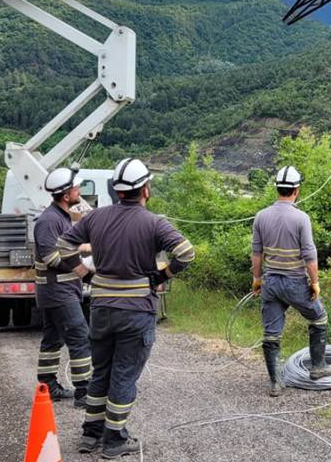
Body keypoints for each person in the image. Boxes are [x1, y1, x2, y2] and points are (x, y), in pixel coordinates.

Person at [56, 158, 195, 458]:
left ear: (117, 191)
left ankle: (90, 435)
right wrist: (163, 275)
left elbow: (63, 247)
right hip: (136, 311)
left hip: (102, 308)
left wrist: (87, 275)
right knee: (124, 374)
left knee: (101, 371)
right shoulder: (155, 222)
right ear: (145, 189)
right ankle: (115, 439)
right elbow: (186, 252)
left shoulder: (96, 218)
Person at [251, 166, 331, 397]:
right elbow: (310, 254)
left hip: (270, 282)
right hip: (294, 282)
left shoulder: (261, 216)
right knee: (319, 318)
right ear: (296, 190)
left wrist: (257, 279)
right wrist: (315, 282)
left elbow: (256, 253)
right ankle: (318, 367)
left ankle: (276, 383)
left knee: (271, 333)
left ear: (277, 188)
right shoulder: (301, 218)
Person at [33, 166, 93, 408]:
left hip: (59, 291)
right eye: (76, 187)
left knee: (52, 339)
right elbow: (52, 258)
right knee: (80, 337)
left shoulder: (62, 216)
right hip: (58, 292)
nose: (79, 190)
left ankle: (47, 385)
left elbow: (67, 250)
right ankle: (84, 393)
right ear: (66, 194)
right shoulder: (49, 221)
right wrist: (83, 268)